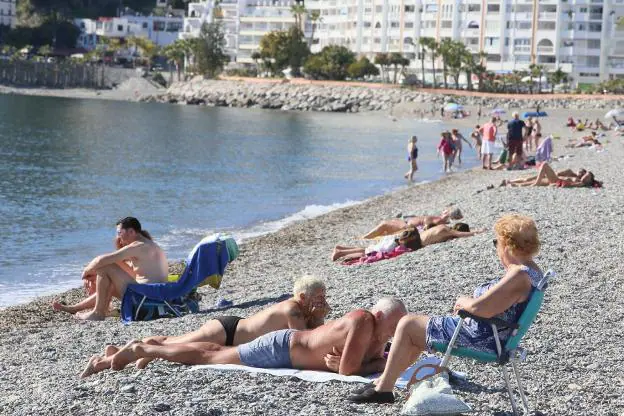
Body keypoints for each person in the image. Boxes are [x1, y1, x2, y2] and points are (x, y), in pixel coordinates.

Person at [347, 214, 543, 404]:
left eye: (496, 242)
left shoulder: (518, 275)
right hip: (493, 333)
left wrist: (463, 301)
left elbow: (479, 308)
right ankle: (383, 383)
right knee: (414, 332)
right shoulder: (533, 271)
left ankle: (383, 390)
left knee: (408, 324)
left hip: (482, 337)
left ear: (508, 245)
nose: (496, 248)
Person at [87, 297, 408, 378]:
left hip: (287, 348)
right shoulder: (364, 321)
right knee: (209, 355)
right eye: (391, 327)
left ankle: (151, 346)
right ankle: (144, 349)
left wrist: (368, 360)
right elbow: (349, 370)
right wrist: (370, 364)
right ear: (378, 315)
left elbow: (352, 363)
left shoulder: (376, 333)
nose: (391, 335)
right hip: (281, 349)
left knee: (212, 349)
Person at [80, 275, 331, 378]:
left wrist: (319, 313)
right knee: (175, 344)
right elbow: (305, 342)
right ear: (303, 298)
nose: (323, 301)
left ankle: (120, 353)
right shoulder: (293, 310)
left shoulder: (302, 309)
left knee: (171, 342)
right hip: (227, 331)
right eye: (318, 297)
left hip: (233, 335)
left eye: (323, 297)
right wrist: (319, 316)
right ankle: (102, 362)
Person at [52, 217, 168, 321]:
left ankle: (98, 313)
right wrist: (96, 276)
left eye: (119, 232)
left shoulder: (138, 245)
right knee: (108, 278)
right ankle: (76, 308)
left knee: (105, 267)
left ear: (132, 231)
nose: (118, 237)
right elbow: (134, 274)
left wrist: (86, 272)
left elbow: (101, 260)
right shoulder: (149, 245)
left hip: (145, 297)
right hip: (154, 295)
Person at [361, 207, 463, 240]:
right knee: (385, 229)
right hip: (406, 223)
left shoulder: (440, 220)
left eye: (446, 210)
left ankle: (365, 238)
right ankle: (368, 237)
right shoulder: (441, 220)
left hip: (407, 226)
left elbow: (426, 227)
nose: (444, 210)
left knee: (384, 225)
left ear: (449, 213)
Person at [332, 227, 422, 262]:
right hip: (386, 245)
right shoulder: (400, 243)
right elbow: (384, 251)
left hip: (388, 240)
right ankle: (340, 252)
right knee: (364, 251)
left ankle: (341, 248)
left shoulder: (399, 236)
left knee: (365, 248)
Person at [501, 164, 601, 188]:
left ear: (588, 180)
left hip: (555, 180)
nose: (583, 176)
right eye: (584, 174)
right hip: (555, 179)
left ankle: (511, 183)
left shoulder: (581, 183)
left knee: (544, 165)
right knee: (527, 180)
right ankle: (509, 182)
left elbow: (571, 185)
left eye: (586, 176)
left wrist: (562, 184)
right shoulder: (577, 177)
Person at [418, 223, 486, 247]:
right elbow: (461, 234)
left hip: (416, 236)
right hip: (415, 244)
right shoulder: (447, 231)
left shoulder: (442, 226)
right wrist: (479, 231)